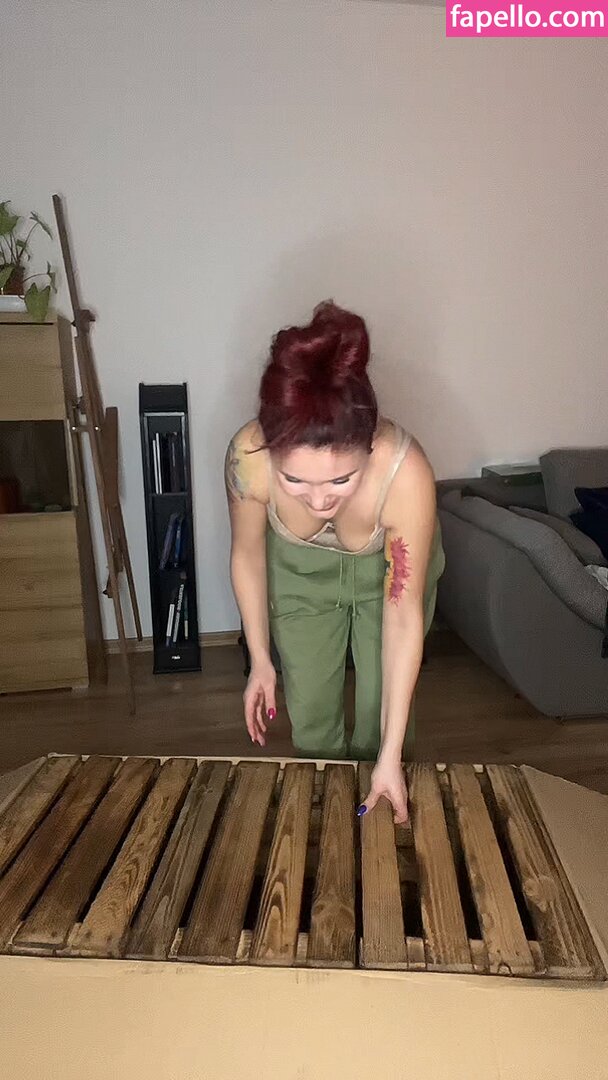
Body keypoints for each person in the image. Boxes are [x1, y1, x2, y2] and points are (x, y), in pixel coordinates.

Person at [225, 301, 444, 823]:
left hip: (386, 577)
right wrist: (260, 659)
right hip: (299, 575)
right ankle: (326, 827)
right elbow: (248, 554)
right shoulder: (247, 459)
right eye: (295, 480)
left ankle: (382, 793)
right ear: (271, 451)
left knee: (379, 720)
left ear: (369, 448)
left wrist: (390, 757)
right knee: (312, 719)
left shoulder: (405, 473)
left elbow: (403, 617)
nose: (320, 500)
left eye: (341, 480)